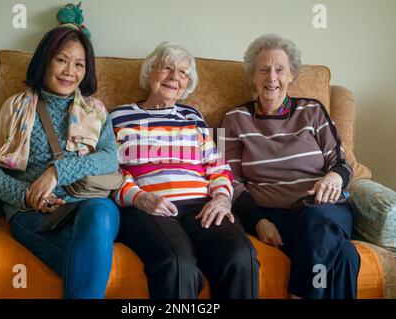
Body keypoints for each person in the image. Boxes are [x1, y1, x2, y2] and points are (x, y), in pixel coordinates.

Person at [0, 27, 120, 299]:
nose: (69, 72)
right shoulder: (15, 108)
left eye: (79, 64)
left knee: (100, 213)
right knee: (87, 263)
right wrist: (26, 196)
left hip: (87, 203)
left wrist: (57, 171)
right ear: (45, 60)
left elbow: (109, 157)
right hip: (33, 213)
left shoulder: (97, 112)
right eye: (61, 60)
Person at [110, 42, 259, 299]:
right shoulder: (119, 116)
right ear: (149, 72)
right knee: (178, 265)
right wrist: (139, 196)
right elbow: (109, 171)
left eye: (182, 73)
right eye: (167, 68)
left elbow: (217, 165)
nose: (174, 77)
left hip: (200, 204)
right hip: (148, 206)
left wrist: (222, 198)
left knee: (240, 256)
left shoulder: (192, 116)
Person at [221, 34, 360, 299]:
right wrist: (258, 220)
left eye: (280, 69)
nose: (271, 77)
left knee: (316, 220)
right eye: (263, 69)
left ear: (291, 75)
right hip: (275, 216)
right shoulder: (235, 118)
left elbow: (340, 162)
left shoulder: (313, 110)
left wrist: (334, 177)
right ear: (252, 76)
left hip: (325, 210)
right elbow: (230, 181)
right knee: (346, 255)